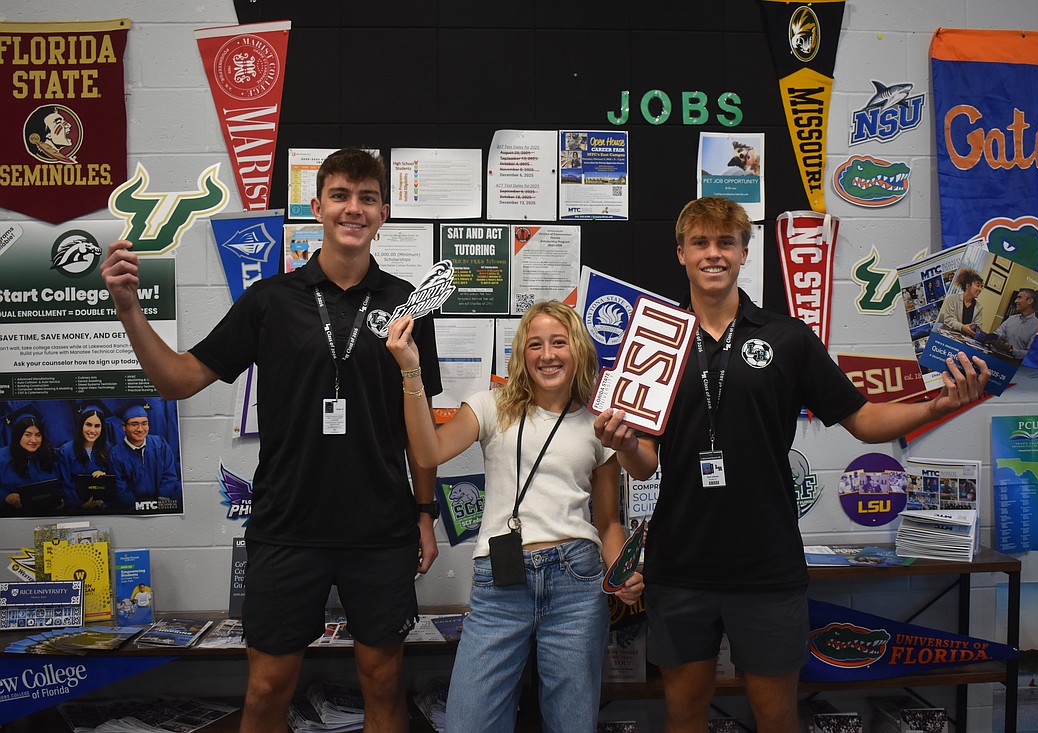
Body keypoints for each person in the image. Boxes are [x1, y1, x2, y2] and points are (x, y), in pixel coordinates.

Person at [594, 197, 991, 733]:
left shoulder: (788, 338)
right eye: (701, 243)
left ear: (743, 252)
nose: (714, 254)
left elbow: (863, 418)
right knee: (684, 712)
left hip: (767, 562)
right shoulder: (656, 339)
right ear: (681, 254)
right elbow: (643, 467)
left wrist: (936, 404)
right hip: (681, 562)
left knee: (776, 714)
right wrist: (620, 442)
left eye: (725, 243)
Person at [100, 147, 442, 733]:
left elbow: (421, 424)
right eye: (340, 196)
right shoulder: (270, 299)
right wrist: (130, 310)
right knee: (265, 691)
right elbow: (179, 380)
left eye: (366, 198)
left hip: (380, 527)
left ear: (384, 212)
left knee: (384, 687)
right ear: (317, 207)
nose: (352, 209)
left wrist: (425, 513)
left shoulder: (409, 302)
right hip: (287, 526)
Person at [386, 300, 644, 733]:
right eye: (535, 344)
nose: (547, 354)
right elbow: (428, 452)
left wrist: (623, 572)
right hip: (500, 585)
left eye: (559, 343)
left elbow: (607, 523)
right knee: (469, 723)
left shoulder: (600, 422)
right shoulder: (491, 405)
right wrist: (411, 370)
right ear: (522, 355)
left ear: (578, 349)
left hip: (576, 584)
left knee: (572, 725)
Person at [108, 402, 181, 510]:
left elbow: (169, 474)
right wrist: (134, 506)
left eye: (144, 423)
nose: (140, 429)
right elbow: (119, 486)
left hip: (161, 502)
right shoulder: (116, 453)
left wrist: (162, 498)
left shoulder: (160, 444)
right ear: (124, 427)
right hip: (131, 507)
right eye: (134, 424)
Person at [1, 410, 63, 516]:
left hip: (47, 513)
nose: (33, 440)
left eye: (38, 435)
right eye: (28, 435)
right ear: (18, 435)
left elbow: (62, 483)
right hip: (12, 515)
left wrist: (61, 499)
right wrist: (5, 497)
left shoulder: (51, 455)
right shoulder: (2, 457)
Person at [58, 401, 114, 510]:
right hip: (77, 509)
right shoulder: (66, 450)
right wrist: (80, 505)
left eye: (97, 426)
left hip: (102, 507)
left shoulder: (107, 449)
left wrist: (104, 476)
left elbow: (113, 480)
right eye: (88, 424)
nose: (92, 430)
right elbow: (66, 483)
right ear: (81, 425)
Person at [990, 287, 1038, 359]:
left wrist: (1011, 350)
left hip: (1015, 364)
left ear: (1030, 301)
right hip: (996, 357)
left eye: (1019, 298)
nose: (1015, 301)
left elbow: (1031, 354)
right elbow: (997, 334)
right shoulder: (1011, 319)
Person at [936, 268, 984, 337]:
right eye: (977, 285)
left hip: (965, 340)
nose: (980, 289)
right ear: (968, 286)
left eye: (981, 287)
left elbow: (977, 327)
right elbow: (948, 320)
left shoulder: (979, 308)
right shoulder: (952, 299)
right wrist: (962, 327)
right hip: (948, 336)